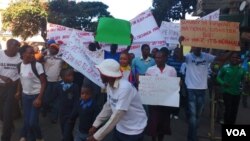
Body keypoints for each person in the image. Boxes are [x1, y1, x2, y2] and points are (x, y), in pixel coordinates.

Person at [179, 36, 232, 141]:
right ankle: (192, 138)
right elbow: (180, 57)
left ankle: (191, 135)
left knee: (198, 115)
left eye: (199, 46)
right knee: (193, 115)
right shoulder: (189, 57)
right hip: (191, 89)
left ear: (202, 47)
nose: (197, 48)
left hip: (202, 90)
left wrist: (232, 49)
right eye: (195, 46)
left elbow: (222, 59)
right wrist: (181, 44)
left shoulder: (207, 56)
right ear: (192, 47)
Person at [87, 59, 147, 141]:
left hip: (134, 129)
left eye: (101, 73)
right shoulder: (109, 85)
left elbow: (117, 114)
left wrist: (97, 137)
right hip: (120, 126)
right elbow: (108, 106)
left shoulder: (125, 88)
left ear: (107, 75)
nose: (100, 75)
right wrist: (95, 124)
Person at [145, 50, 177, 141]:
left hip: (166, 102)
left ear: (165, 58)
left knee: (163, 123)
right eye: (156, 57)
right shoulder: (150, 70)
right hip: (154, 102)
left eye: (160, 57)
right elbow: (147, 86)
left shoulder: (171, 70)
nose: (158, 59)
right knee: (154, 123)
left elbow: (173, 86)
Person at [17, 45, 46, 141]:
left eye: (33, 53)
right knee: (27, 120)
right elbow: (20, 80)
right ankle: (27, 136)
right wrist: (18, 92)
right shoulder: (19, 65)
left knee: (32, 122)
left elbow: (43, 82)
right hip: (25, 97)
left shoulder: (37, 65)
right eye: (29, 53)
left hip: (36, 96)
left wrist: (39, 98)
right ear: (23, 54)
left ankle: (39, 137)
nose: (32, 55)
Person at [0, 39, 21, 141]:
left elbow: (21, 76)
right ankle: (10, 124)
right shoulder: (0, 54)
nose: (17, 49)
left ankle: (5, 137)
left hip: (12, 87)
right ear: (8, 46)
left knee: (7, 112)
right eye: (15, 46)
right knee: (2, 113)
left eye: (18, 47)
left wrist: (18, 90)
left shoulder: (19, 58)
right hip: (0, 86)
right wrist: (1, 76)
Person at [217, 52, 246, 124]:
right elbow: (218, 78)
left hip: (237, 93)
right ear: (230, 58)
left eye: (236, 58)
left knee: (234, 110)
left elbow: (244, 79)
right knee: (228, 110)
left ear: (239, 59)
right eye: (233, 57)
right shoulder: (225, 67)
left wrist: (244, 82)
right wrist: (223, 83)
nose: (235, 59)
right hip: (227, 92)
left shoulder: (242, 69)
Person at [56, 68, 80, 141]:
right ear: (62, 77)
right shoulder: (59, 86)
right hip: (62, 114)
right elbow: (56, 98)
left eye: (72, 75)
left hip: (70, 115)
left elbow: (76, 102)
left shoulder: (75, 87)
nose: (71, 77)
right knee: (65, 132)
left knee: (66, 134)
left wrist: (73, 116)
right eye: (68, 75)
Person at [42, 43, 64, 123]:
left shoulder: (61, 58)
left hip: (58, 82)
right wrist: (42, 54)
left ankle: (54, 117)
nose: (51, 49)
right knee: (46, 99)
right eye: (50, 48)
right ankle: (45, 110)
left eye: (53, 48)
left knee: (56, 101)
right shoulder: (45, 57)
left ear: (57, 50)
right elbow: (38, 59)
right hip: (47, 82)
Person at [167, 47, 183, 119]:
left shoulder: (182, 60)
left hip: (179, 79)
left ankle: (176, 113)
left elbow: (183, 72)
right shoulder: (169, 59)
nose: (177, 53)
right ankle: (170, 112)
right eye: (176, 51)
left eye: (178, 51)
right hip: (171, 79)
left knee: (178, 97)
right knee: (170, 97)